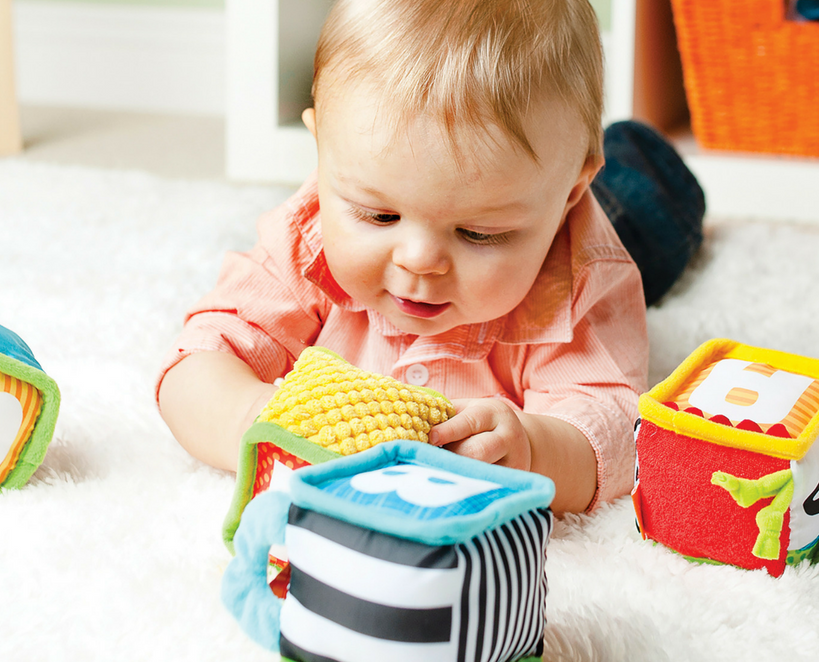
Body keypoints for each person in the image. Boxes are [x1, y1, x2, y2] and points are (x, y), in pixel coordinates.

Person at [156, 0, 704, 514]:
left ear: (568, 196)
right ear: (322, 150)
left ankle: (635, 155)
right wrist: (252, 419)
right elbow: (201, 355)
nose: (420, 261)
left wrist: (536, 449)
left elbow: (613, 429)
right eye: (379, 216)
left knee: (647, 209)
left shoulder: (583, 278)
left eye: (480, 234)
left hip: (610, 221)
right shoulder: (307, 232)